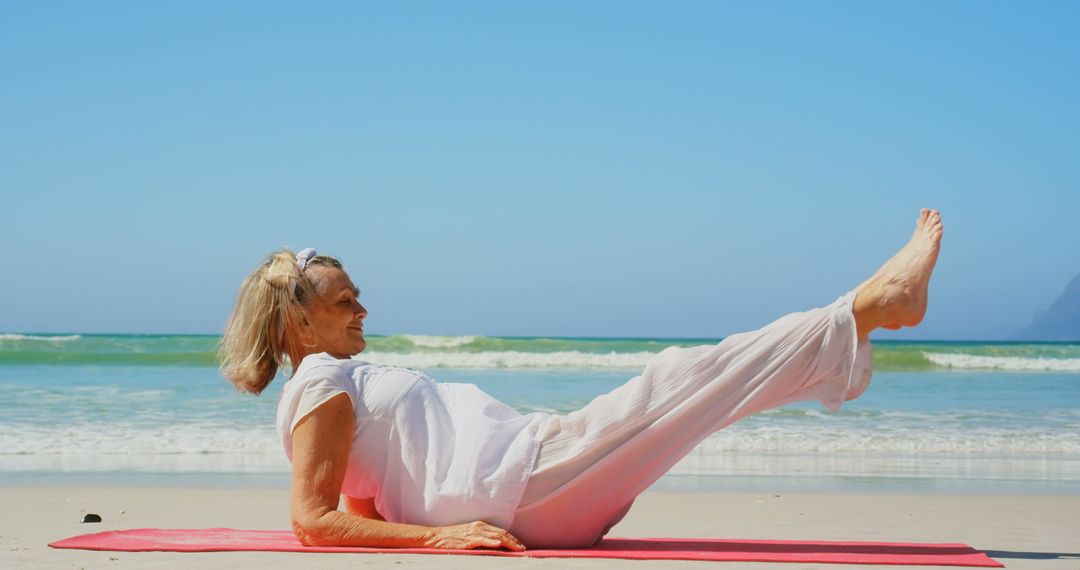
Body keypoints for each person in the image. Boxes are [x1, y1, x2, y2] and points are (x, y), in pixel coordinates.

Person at [219, 209, 943, 551]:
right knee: (689, 379)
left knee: (702, 395)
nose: (363, 307)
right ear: (299, 326)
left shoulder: (333, 383)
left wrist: (424, 530)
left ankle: (848, 336)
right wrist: (439, 542)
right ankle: (870, 305)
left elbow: (361, 500)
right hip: (526, 484)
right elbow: (311, 520)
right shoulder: (318, 385)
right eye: (345, 300)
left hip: (530, 485)